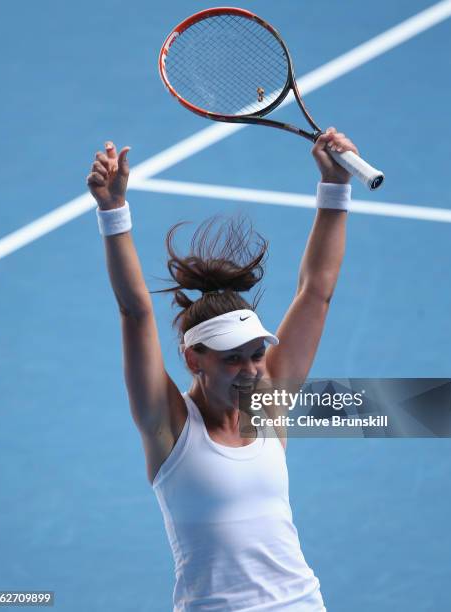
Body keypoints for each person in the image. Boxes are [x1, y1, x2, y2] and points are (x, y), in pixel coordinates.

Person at [86, 128, 358, 611]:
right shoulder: (168, 426)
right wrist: (113, 211)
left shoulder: (268, 403)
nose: (251, 370)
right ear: (194, 360)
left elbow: (317, 290)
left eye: (256, 353)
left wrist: (335, 185)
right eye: (232, 358)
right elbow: (135, 312)